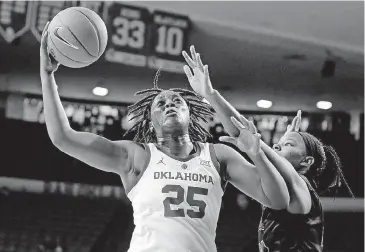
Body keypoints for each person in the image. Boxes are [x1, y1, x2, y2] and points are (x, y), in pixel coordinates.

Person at [40, 23, 290, 252]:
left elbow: (277, 200)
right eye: (160, 103)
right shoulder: (136, 156)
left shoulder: (218, 155)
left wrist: (256, 154)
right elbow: (63, 137)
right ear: (150, 121)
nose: (169, 103)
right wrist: (47, 76)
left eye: (177, 101)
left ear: (189, 115)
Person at [182, 46, 354, 252]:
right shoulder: (277, 186)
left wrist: (212, 95)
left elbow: (242, 132)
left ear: (307, 161)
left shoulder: (301, 186)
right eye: (278, 145)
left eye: (287, 145)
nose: (277, 147)